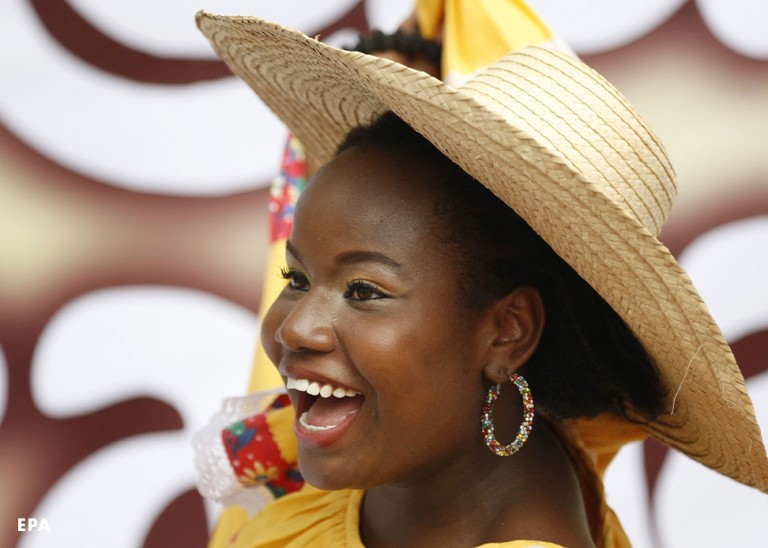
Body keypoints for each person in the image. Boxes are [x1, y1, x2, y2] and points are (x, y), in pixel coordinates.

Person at [193, 11, 768, 548]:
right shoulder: (409, 456)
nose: (296, 327)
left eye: (364, 291)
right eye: (296, 276)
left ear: (508, 332)